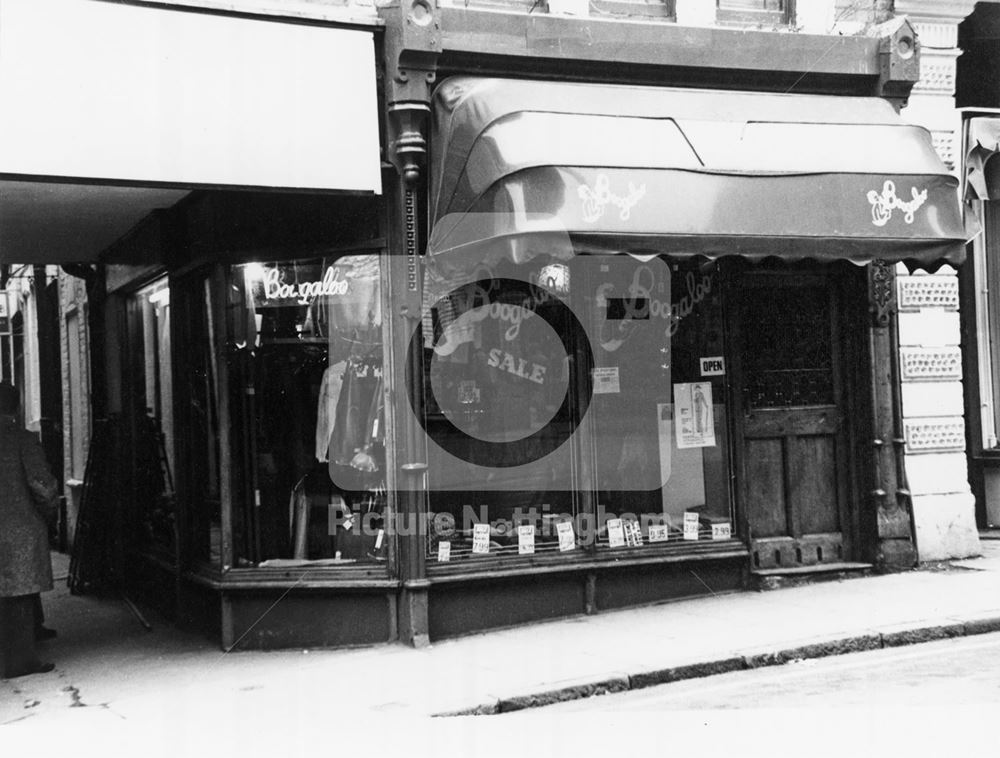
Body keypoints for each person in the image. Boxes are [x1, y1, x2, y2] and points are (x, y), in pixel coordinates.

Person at [0, 381, 58, 678]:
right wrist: (48, 515)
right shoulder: (22, 439)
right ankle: (20, 662)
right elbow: (42, 485)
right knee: (20, 595)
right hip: (18, 531)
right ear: (16, 406)